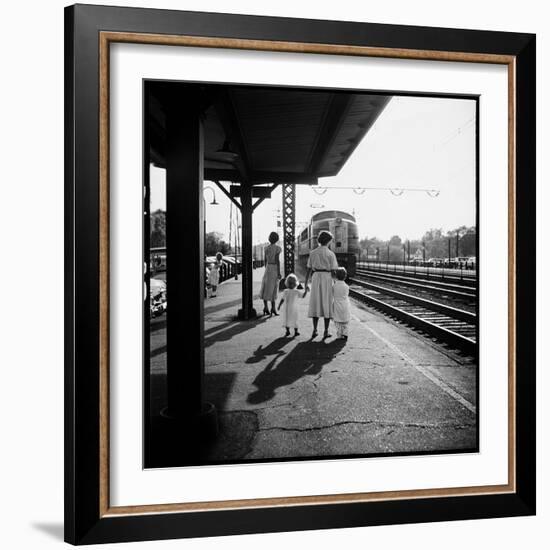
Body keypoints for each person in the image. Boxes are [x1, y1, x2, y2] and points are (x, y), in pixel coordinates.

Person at [303, 230, 338, 339]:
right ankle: (326, 331)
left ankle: (314, 330)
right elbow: (333, 271)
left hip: (316, 277)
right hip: (327, 278)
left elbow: (308, 270)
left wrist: (305, 284)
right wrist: (336, 283)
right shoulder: (331, 254)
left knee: (315, 302)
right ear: (328, 241)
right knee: (327, 303)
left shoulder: (312, 253)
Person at [259, 232, 282, 316]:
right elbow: (277, 261)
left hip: (268, 268)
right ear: (277, 239)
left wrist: (266, 268)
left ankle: (265, 307)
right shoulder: (277, 248)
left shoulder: (266, 248)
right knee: (274, 288)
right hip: (274, 268)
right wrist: (279, 272)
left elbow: (265, 261)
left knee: (265, 287)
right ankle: (273, 308)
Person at [333, 267, 351, 340]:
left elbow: (332, 294)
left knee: (338, 320)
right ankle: (345, 333)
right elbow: (347, 294)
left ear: (336, 276)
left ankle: (339, 334)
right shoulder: (346, 286)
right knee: (345, 320)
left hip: (337, 304)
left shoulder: (334, 286)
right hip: (345, 304)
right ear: (345, 276)